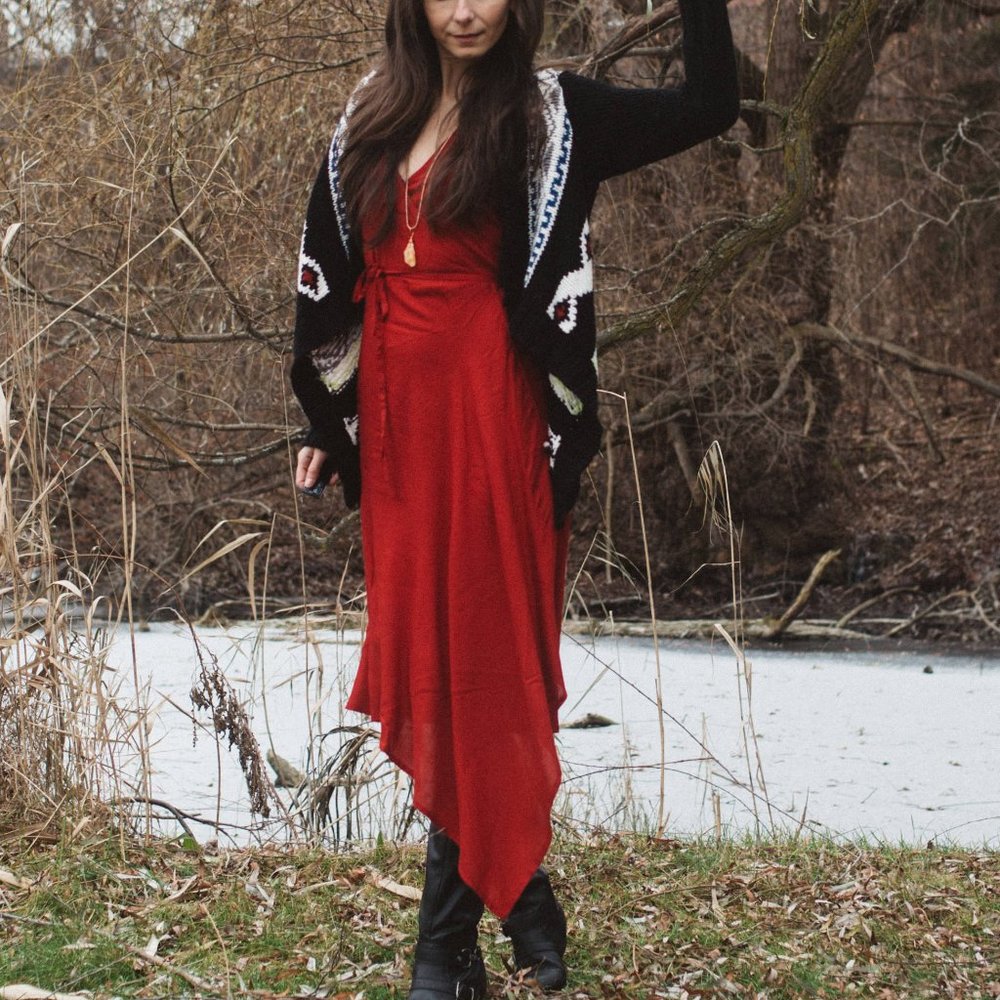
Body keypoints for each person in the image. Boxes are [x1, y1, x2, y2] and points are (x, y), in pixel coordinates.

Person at [291, 0, 738, 994]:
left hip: (494, 408)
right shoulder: (368, 112)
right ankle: (521, 906)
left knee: (483, 655)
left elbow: (710, 103)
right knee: (432, 653)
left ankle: (439, 952)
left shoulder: (554, 115)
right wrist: (328, 428)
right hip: (399, 419)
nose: (463, 9)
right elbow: (334, 274)